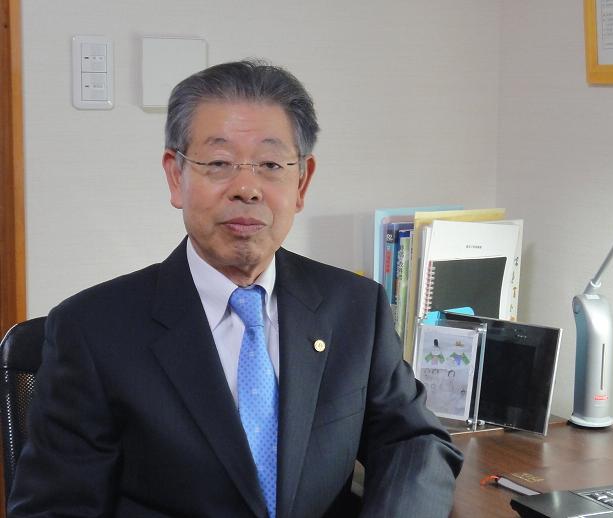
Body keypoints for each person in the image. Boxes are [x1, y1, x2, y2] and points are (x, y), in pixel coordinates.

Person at [8, 60, 462, 517]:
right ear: (176, 176)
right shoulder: (92, 330)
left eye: (271, 164)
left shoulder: (356, 308)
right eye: (219, 164)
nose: (246, 188)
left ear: (301, 182)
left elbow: (413, 440)